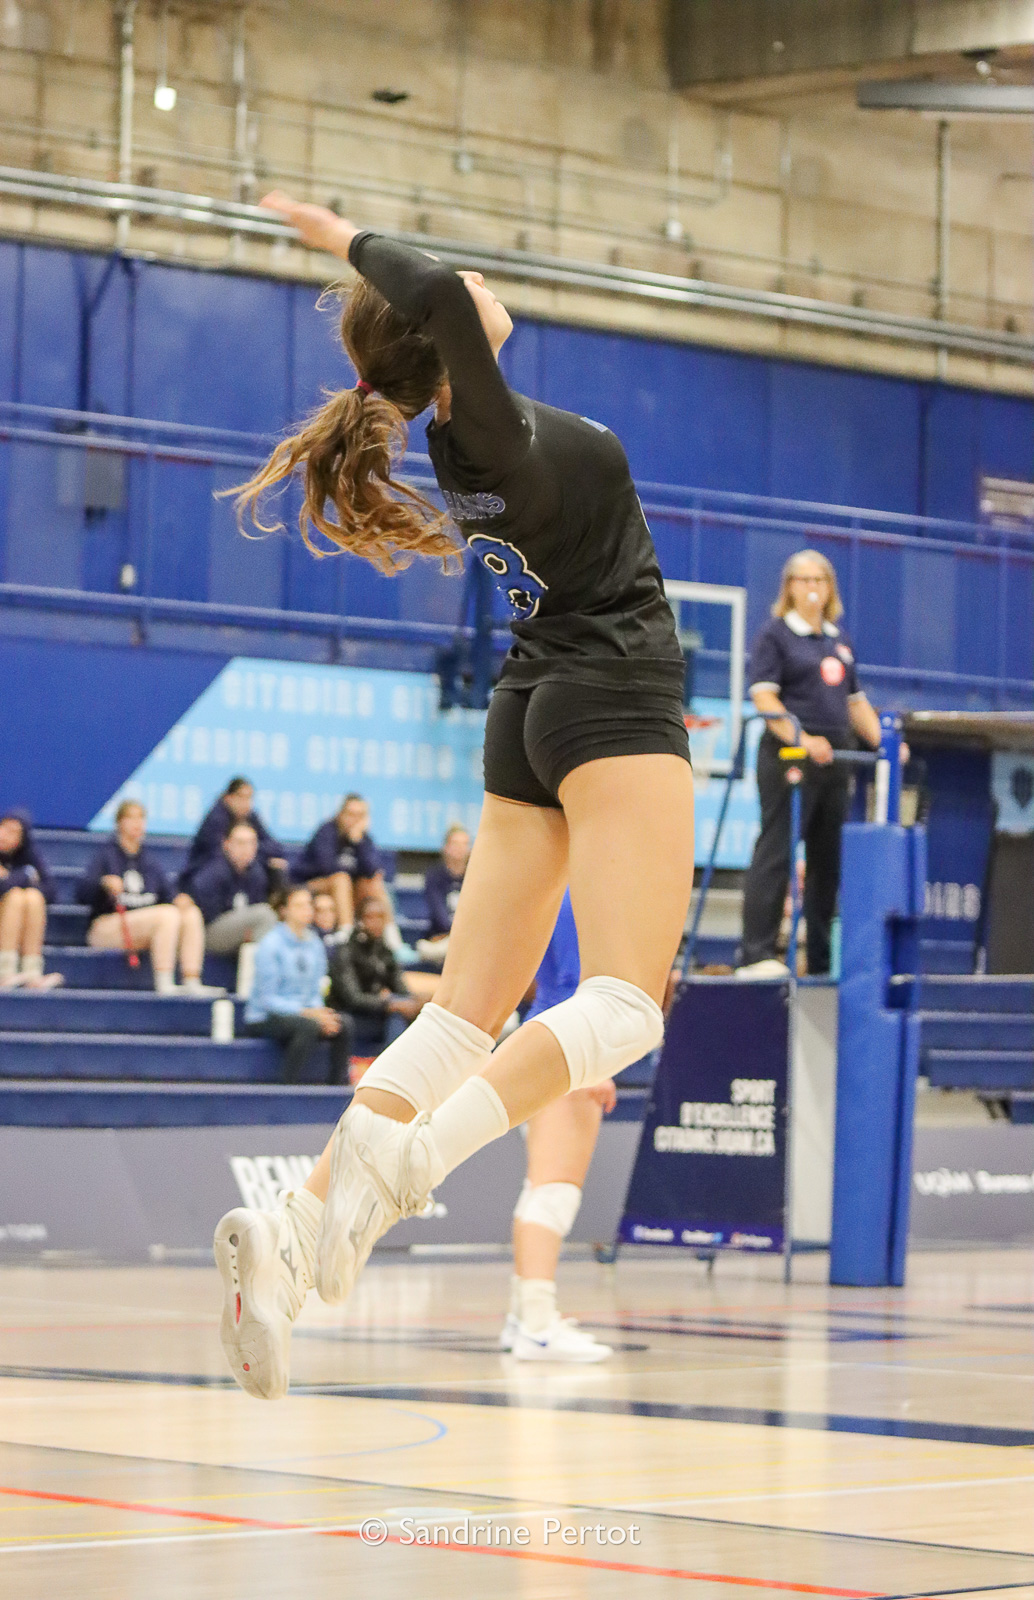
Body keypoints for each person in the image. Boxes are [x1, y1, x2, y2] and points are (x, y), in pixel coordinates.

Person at [213, 193, 693, 1402]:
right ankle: (412, 1163)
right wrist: (336, 239)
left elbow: (434, 305)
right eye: (464, 288)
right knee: (628, 1005)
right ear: (448, 340)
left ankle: (302, 1228)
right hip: (609, 694)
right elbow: (428, 290)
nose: (479, 283)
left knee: (460, 1018)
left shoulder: (465, 428)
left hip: (531, 709)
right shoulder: (474, 421)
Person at [737, 549, 882, 978]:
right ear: (789, 588)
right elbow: (764, 698)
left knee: (828, 862)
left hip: (837, 761)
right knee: (777, 851)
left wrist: (888, 743)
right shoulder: (775, 636)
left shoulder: (839, 641)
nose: (813, 587)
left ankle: (820, 961)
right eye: (804, 580)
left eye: (820, 579)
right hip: (790, 759)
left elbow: (855, 704)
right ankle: (757, 954)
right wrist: (804, 738)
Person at [501, 893, 613, 1363]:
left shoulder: (562, 882)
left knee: (540, 1190)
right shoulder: (575, 891)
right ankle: (538, 1327)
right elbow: (571, 983)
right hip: (564, 1043)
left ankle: (524, 1317)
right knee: (554, 1193)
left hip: (549, 1037)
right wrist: (590, 1063)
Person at [79, 799, 217, 995]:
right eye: (131, 817)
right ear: (119, 823)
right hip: (107, 926)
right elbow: (82, 893)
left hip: (143, 926)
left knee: (191, 913)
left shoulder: (149, 861)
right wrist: (103, 883)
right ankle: (164, 980)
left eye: (141, 818)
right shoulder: (105, 856)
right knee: (167, 915)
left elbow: (167, 894)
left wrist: (179, 899)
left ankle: (191, 979)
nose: (137, 823)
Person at [243, 884, 349, 1084]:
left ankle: (337, 1089)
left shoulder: (315, 944)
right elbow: (269, 1001)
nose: (306, 910)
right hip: (265, 1017)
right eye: (299, 905)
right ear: (285, 910)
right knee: (307, 1026)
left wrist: (319, 1011)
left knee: (343, 1024)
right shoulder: (270, 944)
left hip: (303, 1013)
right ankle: (288, 1086)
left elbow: (315, 990)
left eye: (308, 905)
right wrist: (308, 1013)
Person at [0, 812, 61, 989]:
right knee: (14, 896)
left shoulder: (28, 855)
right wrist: (25, 876)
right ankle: (5, 974)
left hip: (10, 924)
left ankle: (32, 974)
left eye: (12, 832)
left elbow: (51, 892)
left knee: (33, 898)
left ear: (21, 840)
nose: (4, 835)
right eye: (2, 828)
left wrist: (6, 877)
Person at [327, 897, 425, 1051]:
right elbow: (354, 999)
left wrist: (413, 1002)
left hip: (378, 1014)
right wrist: (387, 1003)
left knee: (416, 1011)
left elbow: (401, 989)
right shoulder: (345, 951)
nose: (376, 922)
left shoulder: (385, 951)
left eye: (381, 917)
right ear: (359, 921)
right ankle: (394, 1066)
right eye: (370, 917)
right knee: (397, 1016)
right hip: (351, 1017)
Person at [290, 794, 388, 936]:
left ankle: (390, 938)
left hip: (347, 890)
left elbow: (372, 870)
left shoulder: (363, 838)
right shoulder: (326, 831)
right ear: (340, 814)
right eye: (351, 814)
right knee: (341, 879)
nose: (354, 820)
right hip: (311, 886)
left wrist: (358, 843)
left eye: (360, 815)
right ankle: (346, 933)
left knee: (374, 883)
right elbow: (327, 867)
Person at [178, 778, 286, 892]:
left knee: (276, 865)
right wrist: (254, 855)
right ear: (228, 798)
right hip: (205, 871)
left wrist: (256, 854)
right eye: (241, 797)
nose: (246, 803)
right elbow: (221, 854)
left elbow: (275, 847)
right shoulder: (215, 820)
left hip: (238, 871)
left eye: (249, 798)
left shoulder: (251, 816)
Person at [189, 821, 277, 955]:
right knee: (264, 914)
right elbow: (206, 916)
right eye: (240, 842)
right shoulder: (213, 872)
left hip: (240, 931)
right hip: (208, 933)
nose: (246, 848)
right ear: (227, 844)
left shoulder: (257, 873)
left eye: (251, 843)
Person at [416, 824, 471, 965]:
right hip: (442, 937)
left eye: (464, 844)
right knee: (425, 948)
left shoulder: (475, 878)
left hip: (468, 939)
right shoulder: (434, 876)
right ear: (446, 847)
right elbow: (439, 914)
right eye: (455, 843)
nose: (460, 848)